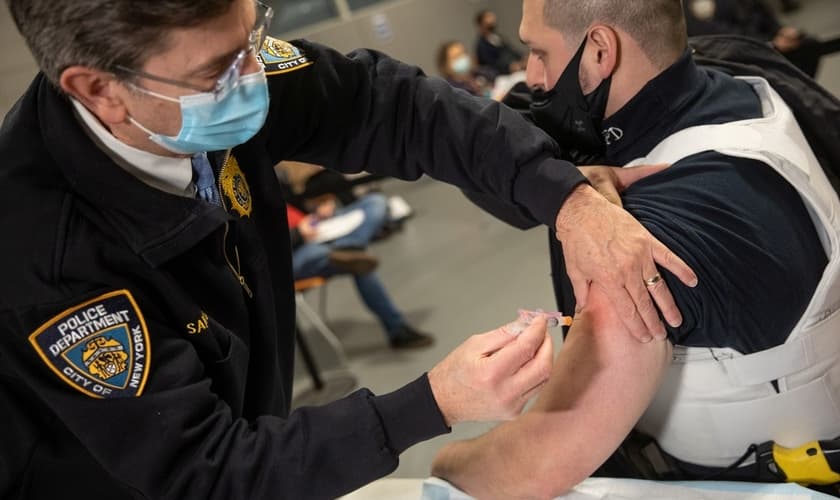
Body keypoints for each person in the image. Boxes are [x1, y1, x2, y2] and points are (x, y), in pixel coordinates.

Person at [0, 0, 698, 497]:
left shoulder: (199, 77)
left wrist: (564, 197)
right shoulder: (46, 258)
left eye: (253, 34)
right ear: (100, 90)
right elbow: (206, 471)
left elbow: (389, 106)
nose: (253, 74)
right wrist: (430, 403)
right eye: (220, 68)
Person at [432, 0, 840, 497]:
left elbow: (535, 461)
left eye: (539, 53)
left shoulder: (640, 239)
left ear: (601, 50)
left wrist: (443, 459)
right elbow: (490, 142)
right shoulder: (738, 81)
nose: (532, 77)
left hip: (739, 481)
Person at [287, 194, 435, 349]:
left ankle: (348, 246)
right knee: (359, 264)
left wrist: (316, 209)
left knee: (375, 202)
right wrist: (298, 233)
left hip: (317, 229)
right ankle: (397, 330)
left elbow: (298, 199)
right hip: (294, 253)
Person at [683, 0, 822, 77]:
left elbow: (758, 10)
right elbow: (717, 37)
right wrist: (770, 44)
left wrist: (779, 30)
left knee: (809, 45)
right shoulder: (689, 5)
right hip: (735, 53)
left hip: (764, 39)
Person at [475, 9, 527, 76]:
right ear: (481, 23)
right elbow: (491, 64)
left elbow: (510, 50)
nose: (492, 20)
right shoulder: (481, 45)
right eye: (488, 17)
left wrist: (522, 58)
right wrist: (509, 67)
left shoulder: (499, 37)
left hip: (515, 69)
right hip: (500, 75)